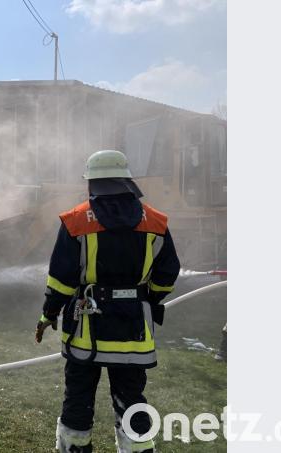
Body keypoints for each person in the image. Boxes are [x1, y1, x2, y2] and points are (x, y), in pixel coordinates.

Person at [35, 150, 180, 452]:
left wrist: (49, 313)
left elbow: (62, 278)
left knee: (78, 398)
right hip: (133, 332)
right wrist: (147, 297)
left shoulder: (75, 221)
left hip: (86, 332)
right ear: (128, 181)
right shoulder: (155, 221)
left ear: (91, 185)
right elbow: (167, 273)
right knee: (132, 402)